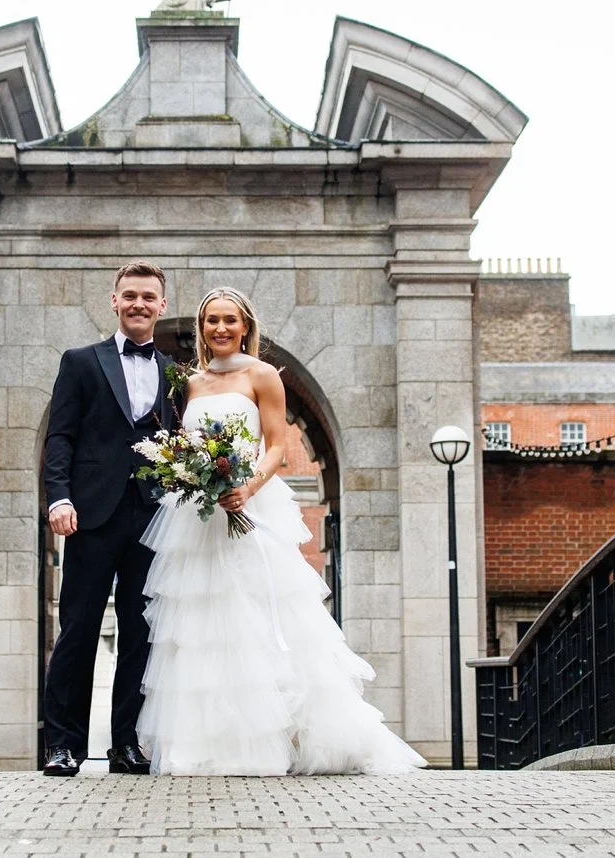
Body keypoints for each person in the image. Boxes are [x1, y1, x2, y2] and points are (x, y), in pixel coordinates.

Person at [137, 286, 427, 775]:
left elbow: (276, 444)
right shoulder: (190, 384)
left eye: (230, 320)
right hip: (198, 517)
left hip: (253, 507)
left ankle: (276, 739)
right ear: (201, 329)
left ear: (246, 325)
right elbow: (183, 446)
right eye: (211, 321)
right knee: (200, 625)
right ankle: (208, 744)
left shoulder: (264, 376)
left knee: (260, 615)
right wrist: (195, 477)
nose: (221, 329)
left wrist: (245, 488)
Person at [40, 261, 176, 776]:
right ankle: (63, 745)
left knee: (141, 636)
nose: (139, 304)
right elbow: (61, 437)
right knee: (78, 630)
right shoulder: (80, 361)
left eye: (149, 297)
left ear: (161, 306)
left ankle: (126, 744)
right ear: (114, 301)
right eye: (130, 296)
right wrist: (59, 497)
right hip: (90, 515)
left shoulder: (173, 371)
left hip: (153, 517)